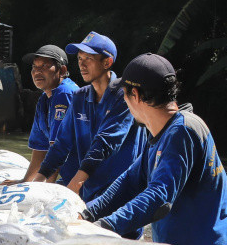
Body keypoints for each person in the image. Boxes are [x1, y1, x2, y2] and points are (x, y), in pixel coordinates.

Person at [81, 53, 227, 245]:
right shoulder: (160, 134)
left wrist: (104, 226)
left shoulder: (184, 131)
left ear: (135, 95)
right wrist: (85, 214)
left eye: (124, 95)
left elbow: (159, 196)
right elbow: (128, 182)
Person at [29, 31, 142, 201]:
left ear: (107, 62)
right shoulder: (80, 97)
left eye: (88, 59)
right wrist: (38, 180)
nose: (82, 65)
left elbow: (107, 141)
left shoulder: (125, 95)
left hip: (120, 190)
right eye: (80, 59)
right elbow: (61, 144)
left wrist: (76, 183)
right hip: (89, 189)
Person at [4, 45, 80, 185]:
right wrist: (25, 181)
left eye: (44, 66)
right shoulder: (44, 99)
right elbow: (40, 149)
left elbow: (58, 149)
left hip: (84, 179)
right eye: (34, 67)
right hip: (70, 177)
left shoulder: (65, 94)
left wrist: (46, 187)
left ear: (62, 70)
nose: (37, 72)